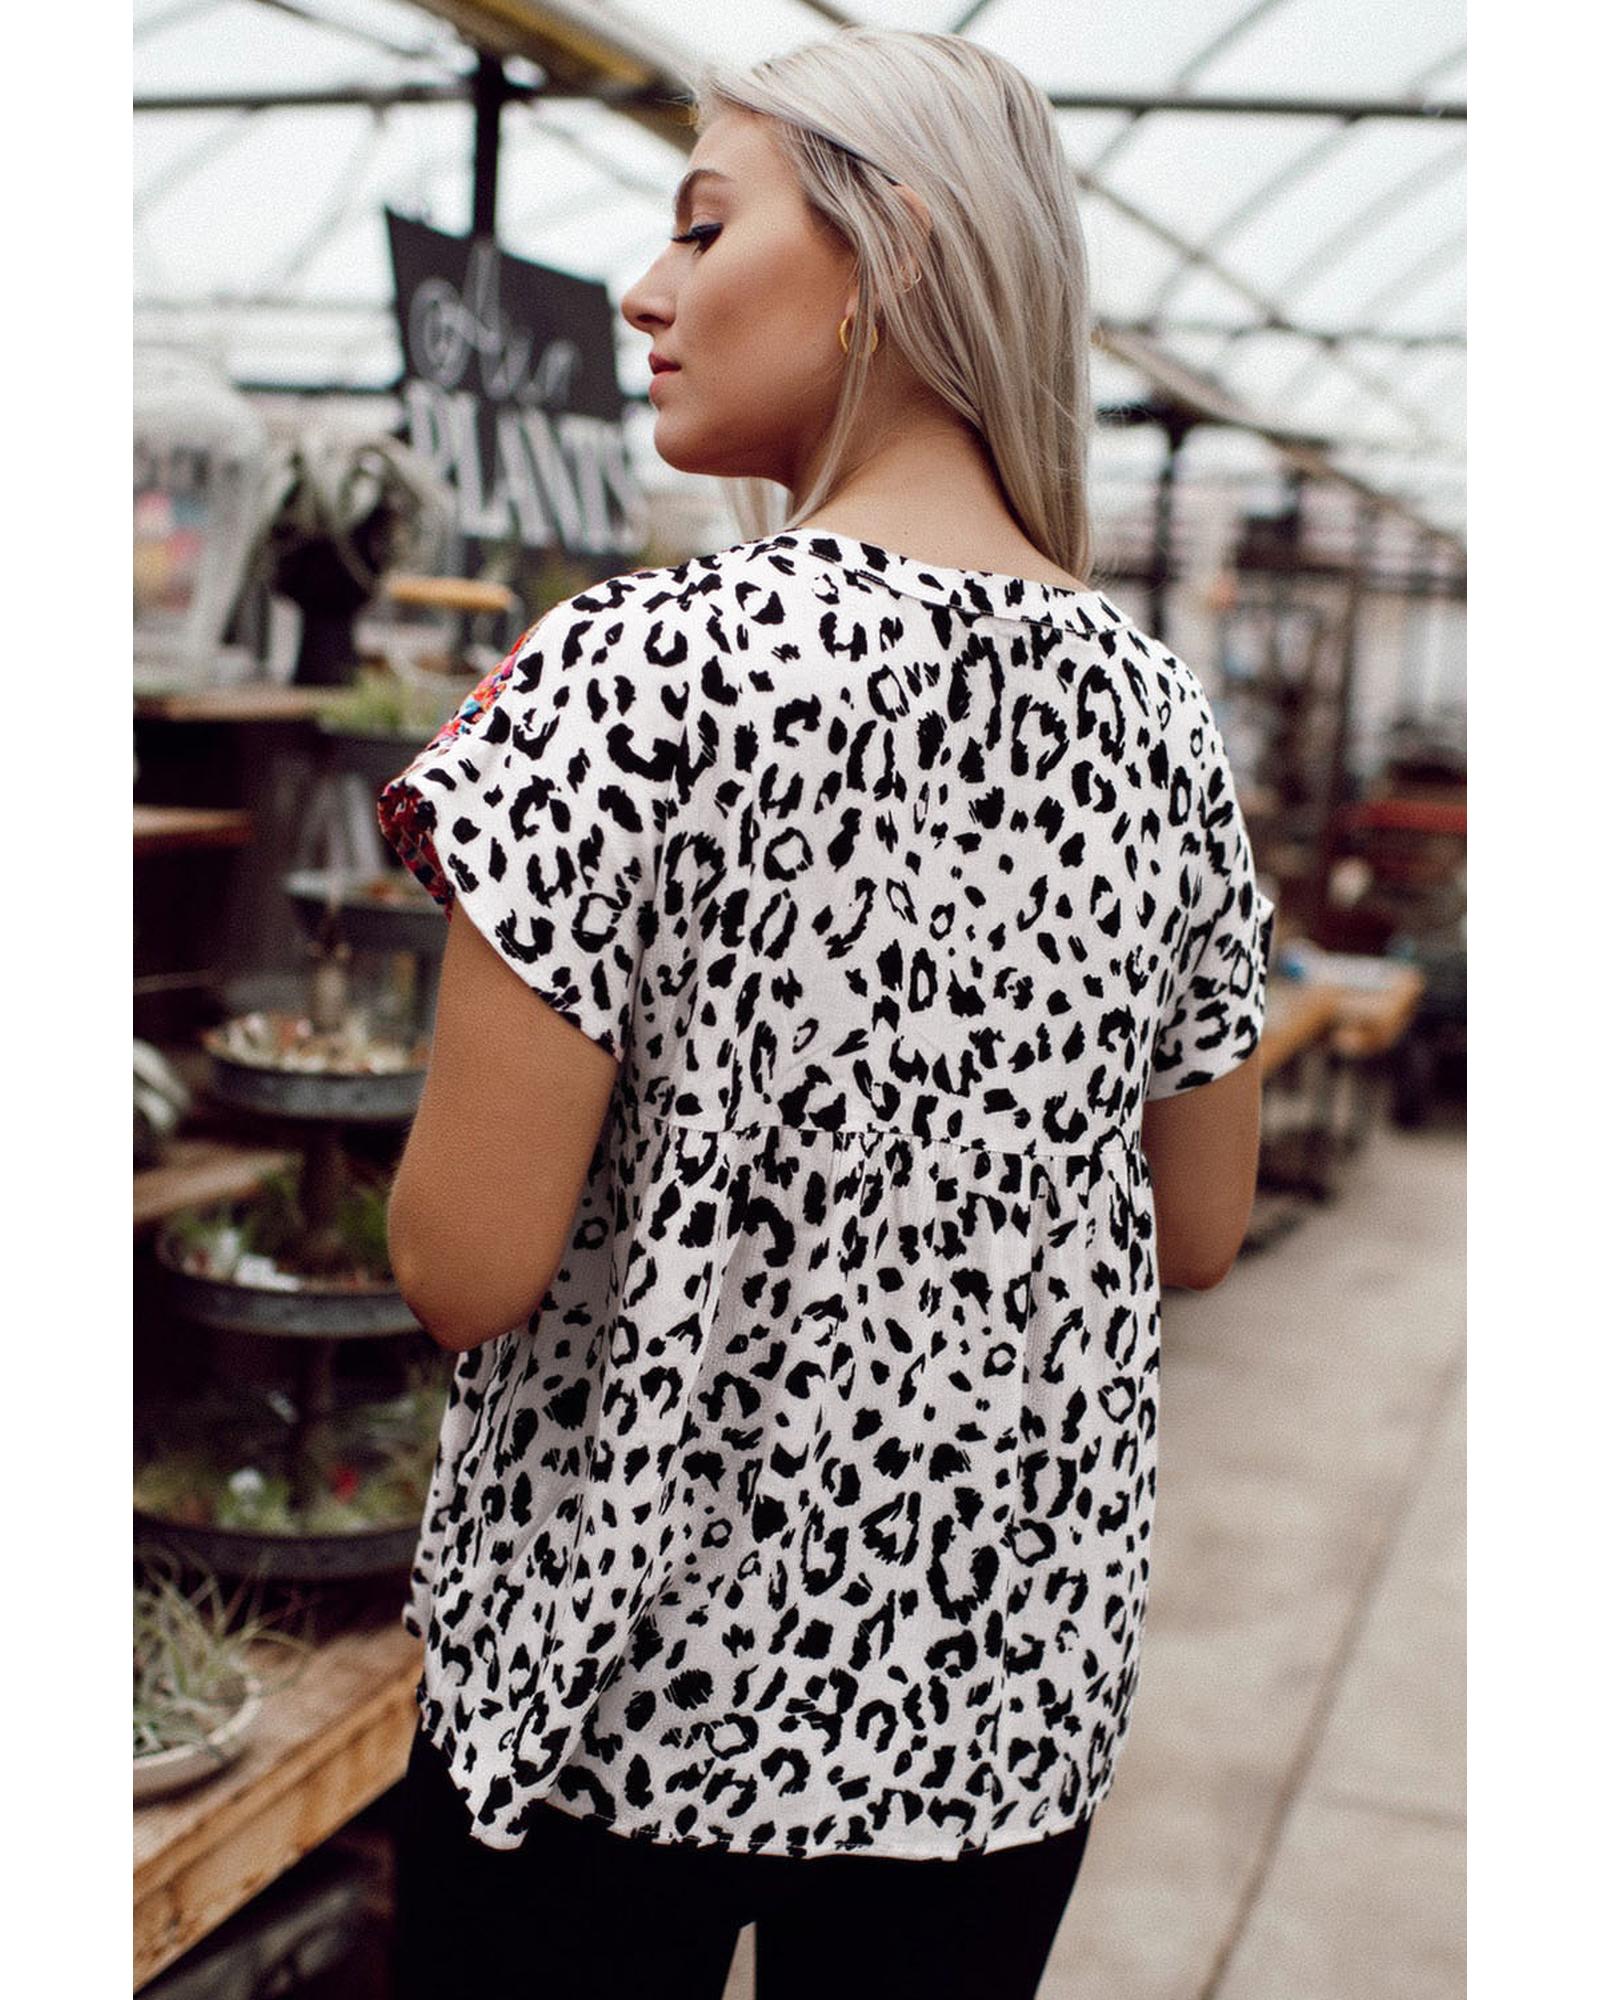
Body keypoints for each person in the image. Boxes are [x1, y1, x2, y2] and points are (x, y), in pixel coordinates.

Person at [379, 25, 1273, 2000]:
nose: (646, 291)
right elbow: (1201, 1226)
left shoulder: (633, 671)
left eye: (703, 226)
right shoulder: (1157, 722)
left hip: (610, 1707)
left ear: (893, 256)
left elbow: (460, 1263)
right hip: (991, 1707)